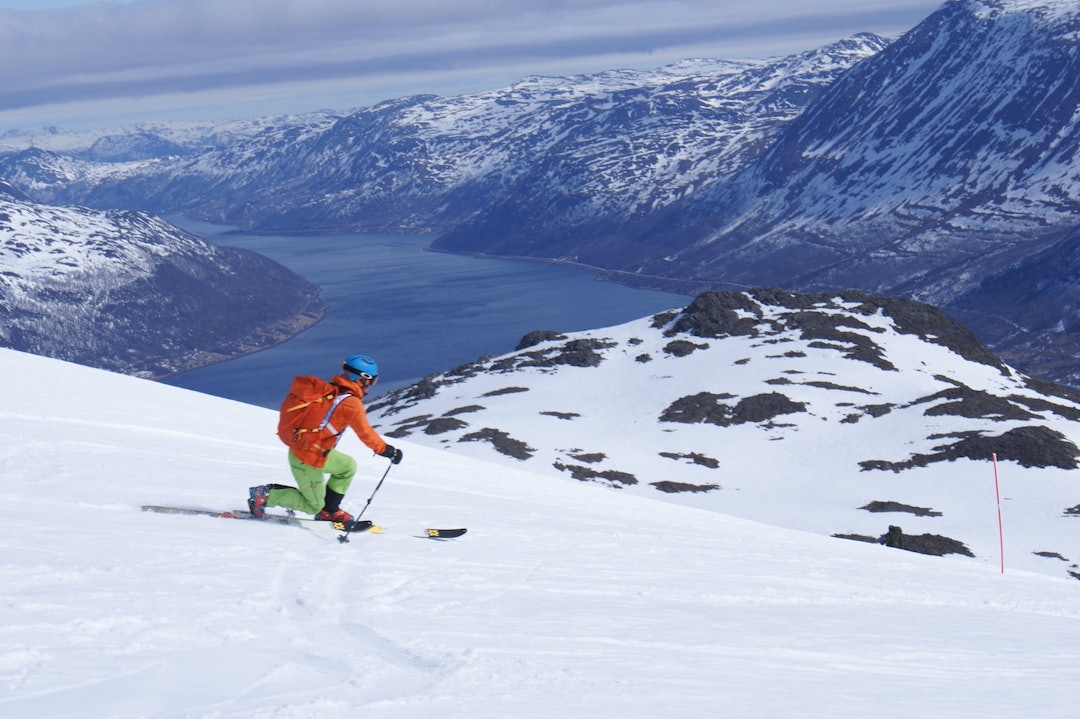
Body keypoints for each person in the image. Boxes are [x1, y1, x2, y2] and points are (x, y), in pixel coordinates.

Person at [248, 354, 403, 523]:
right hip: (307, 458)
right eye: (372, 380)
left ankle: (329, 511)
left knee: (347, 467)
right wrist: (387, 451)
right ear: (363, 379)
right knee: (313, 505)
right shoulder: (351, 403)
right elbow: (365, 432)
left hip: (314, 451)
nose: (371, 385)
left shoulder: (330, 391)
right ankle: (266, 496)